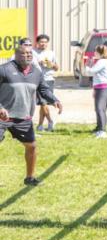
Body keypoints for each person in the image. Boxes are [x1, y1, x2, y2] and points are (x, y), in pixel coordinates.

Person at [0, 44, 62, 186]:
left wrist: (54, 100)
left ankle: (30, 178)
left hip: (23, 117)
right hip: (2, 116)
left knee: (32, 146)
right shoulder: (4, 69)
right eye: (24, 53)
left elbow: (44, 90)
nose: (27, 55)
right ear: (16, 55)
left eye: (29, 53)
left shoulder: (36, 72)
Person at [85, 45, 107, 139]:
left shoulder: (102, 61)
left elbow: (90, 72)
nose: (94, 53)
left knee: (100, 109)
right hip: (101, 88)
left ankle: (102, 131)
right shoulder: (104, 61)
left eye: (95, 51)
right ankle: (100, 129)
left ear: (99, 52)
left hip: (103, 88)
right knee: (99, 109)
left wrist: (88, 65)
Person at [33, 34, 59, 132]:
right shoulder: (33, 52)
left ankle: (40, 125)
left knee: (44, 103)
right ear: (37, 42)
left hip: (49, 79)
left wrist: (51, 64)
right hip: (37, 79)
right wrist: (38, 63)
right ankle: (50, 121)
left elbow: (57, 68)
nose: (43, 44)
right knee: (43, 102)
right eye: (41, 42)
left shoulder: (51, 53)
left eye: (45, 42)